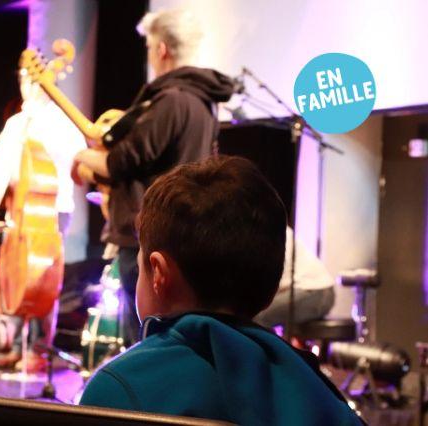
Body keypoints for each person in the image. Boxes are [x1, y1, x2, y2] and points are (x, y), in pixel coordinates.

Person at [78, 157, 361, 425]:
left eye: (140, 267)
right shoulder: (321, 396)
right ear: (273, 289)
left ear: (159, 274)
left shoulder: (117, 390)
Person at [72, 9, 235, 343]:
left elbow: (121, 162)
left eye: (149, 47)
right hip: (180, 235)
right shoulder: (204, 103)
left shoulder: (170, 101)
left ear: (161, 49)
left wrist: (81, 155)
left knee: (146, 340)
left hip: (148, 237)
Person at [0, 71, 87, 371]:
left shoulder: (64, 122)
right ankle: (18, 345)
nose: (26, 86)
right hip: (18, 208)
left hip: (50, 209)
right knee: (16, 274)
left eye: (33, 80)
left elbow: (77, 163)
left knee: (42, 277)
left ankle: (39, 348)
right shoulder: (16, 123)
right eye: (23, 79)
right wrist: (3, 178)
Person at [254, 227, 336, 329]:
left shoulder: (271, 230)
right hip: (311, 290)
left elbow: (271, 279)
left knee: (258, 316)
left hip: (316, 291)